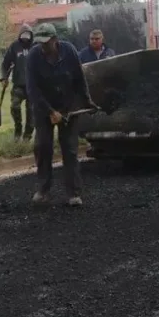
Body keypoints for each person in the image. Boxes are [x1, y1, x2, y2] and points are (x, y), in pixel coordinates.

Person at [26, 23, 96, 207]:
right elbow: (32, 89)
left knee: (70, 149)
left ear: (55, 40)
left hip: (67, 106)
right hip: (43, 108)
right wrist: (50, 111)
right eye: (40, 42)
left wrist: (87, 101)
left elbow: (79, 79)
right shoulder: (33, 56)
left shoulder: (69, 51)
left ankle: (74, 193)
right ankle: (44, 190)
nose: (43, 46)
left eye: (46, 42)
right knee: (43, 147)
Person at [0, 25, 35, 141]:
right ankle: (18, 130)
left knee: (31, 112)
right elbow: (5, 64)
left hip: (33, 86)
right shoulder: (14, 46)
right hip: (18, 85)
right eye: (23, 35)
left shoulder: (36, 47)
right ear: (19, 35)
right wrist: (3, 78)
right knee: (14, 106)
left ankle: (27, 136)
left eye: (27, 35)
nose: (25, 38)